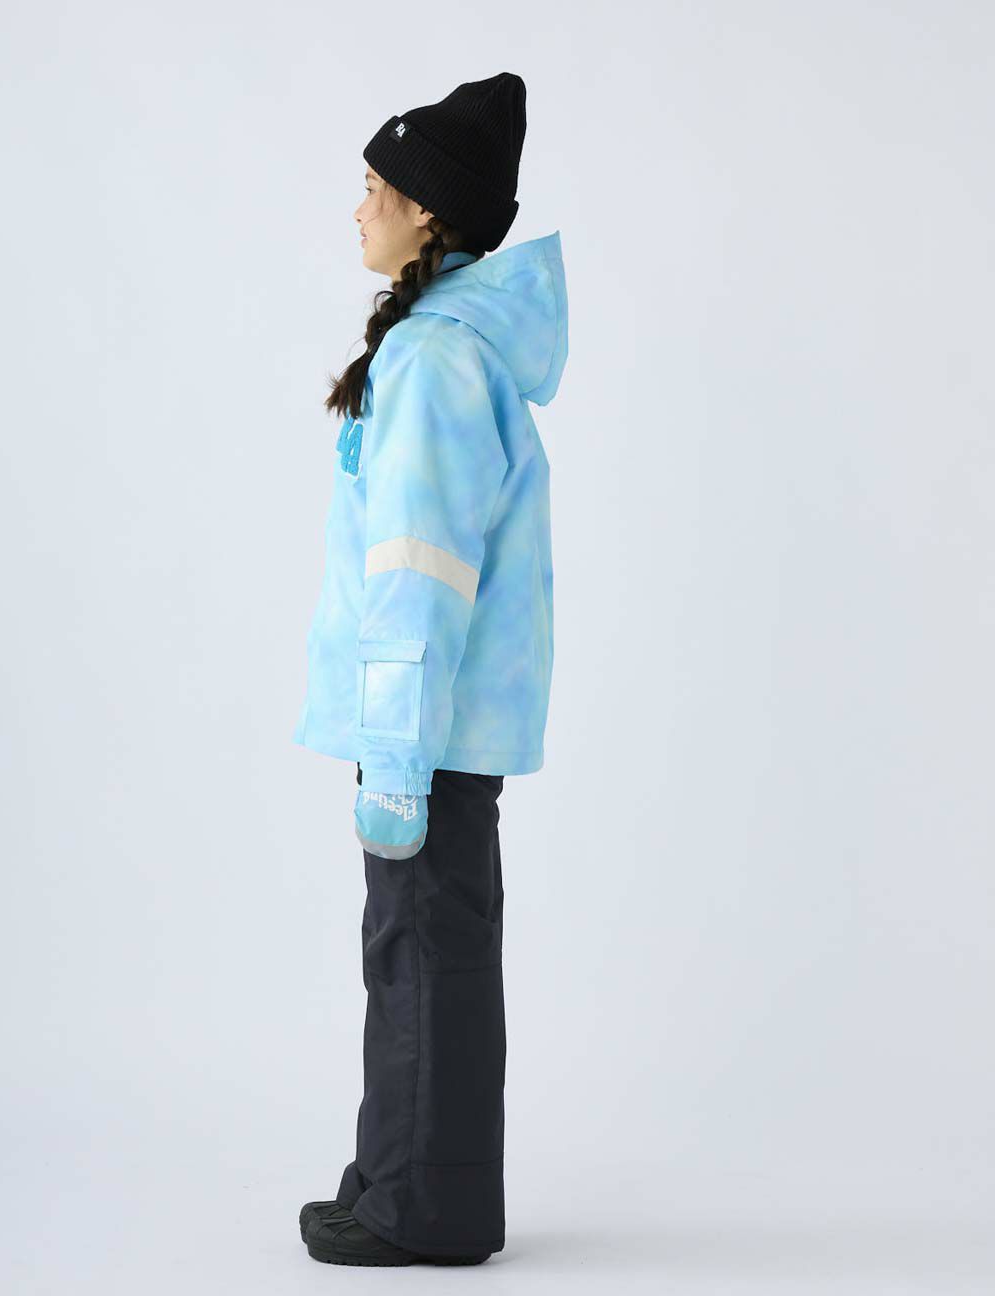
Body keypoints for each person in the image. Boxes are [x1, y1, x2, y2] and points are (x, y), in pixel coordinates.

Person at [292, 70, 569, 1266]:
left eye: (375, 188)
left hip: (428, 729)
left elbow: (419, 569)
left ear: (429, 213)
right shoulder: (445, 354)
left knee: (422, 952)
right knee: (426, 947)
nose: (359, 209)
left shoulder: (434, 364)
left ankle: (422, 1208)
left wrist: (395, 760)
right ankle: (403, 1178)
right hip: (439, 723)